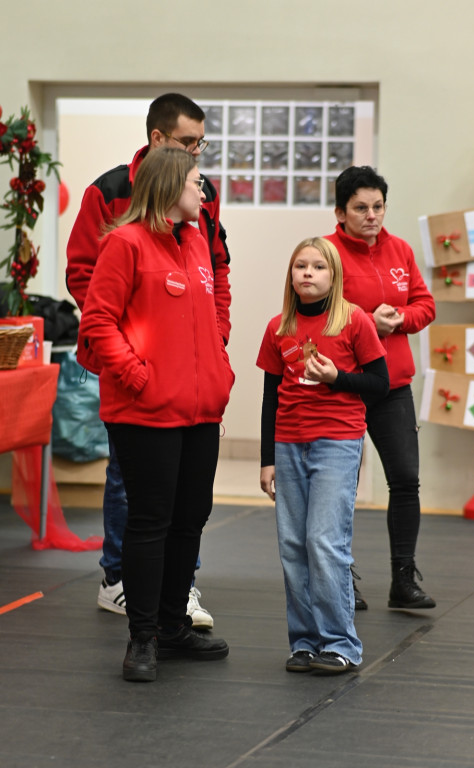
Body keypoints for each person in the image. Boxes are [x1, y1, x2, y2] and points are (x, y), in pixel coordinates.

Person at [66, 93, 230, 629]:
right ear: (158, 143)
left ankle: (174, 598)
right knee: (135, 494)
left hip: (192, 389)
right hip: (138, 384)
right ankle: (121, 584)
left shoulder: (201, 210)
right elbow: (88, 287)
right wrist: (134, 356)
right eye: (188, 145)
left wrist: (215, 341)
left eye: (200, 144)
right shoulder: (112, 202)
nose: (198, 158)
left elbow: (216, 275)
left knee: (186, 510)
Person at [257, 237, 389, 674]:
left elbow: (379, 384)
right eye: (300, 266)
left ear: (334, 277)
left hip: (337, 441)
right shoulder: (278, 327)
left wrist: (338, 377)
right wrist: (266, 459)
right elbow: (269, 398)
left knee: (324, 542)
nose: (307, 274)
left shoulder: (354, 322)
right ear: (291, 275)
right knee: (293, 546)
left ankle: (341, 644)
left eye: (317, 267)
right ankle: (305, 641)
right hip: (288, 444)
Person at [324, 165, 436, 611]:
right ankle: (342, 581)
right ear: (340, 211)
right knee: (340, 488)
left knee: (406, 480)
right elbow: (316, 313)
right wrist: (369, 323)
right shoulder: (326, 253)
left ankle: (403, 580)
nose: (372, 216)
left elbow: (425, 305)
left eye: (378, 207)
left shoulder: (401, 251)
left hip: (392, 385)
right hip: (345, 385)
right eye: (361, 208)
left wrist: (401, 320)